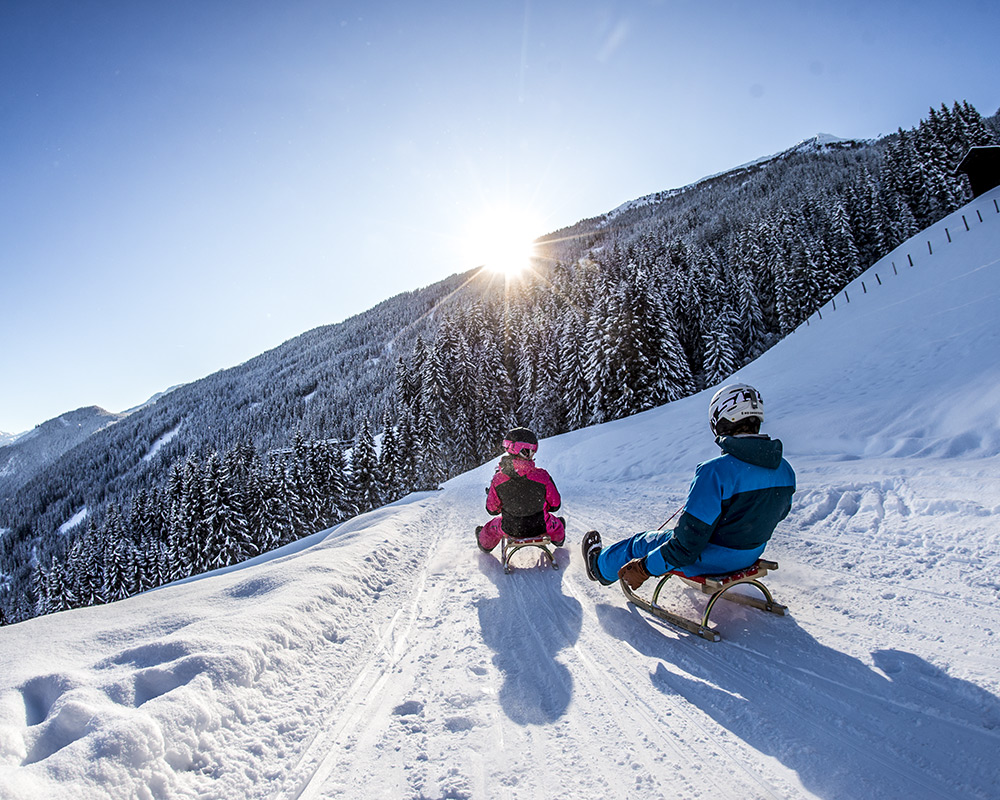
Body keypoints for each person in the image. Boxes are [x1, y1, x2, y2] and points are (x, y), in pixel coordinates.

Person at [582, 383, 795, 590]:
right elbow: (773, 515)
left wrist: (644, 568)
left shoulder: (715, 471)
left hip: (709, 560)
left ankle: (599, 568)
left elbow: (686, 546)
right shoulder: (785, 470)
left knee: (640, 542)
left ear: (721, 421)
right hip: (750, 555)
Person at [476, 427, 566, 552]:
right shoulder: (542, 476)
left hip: (511, 528)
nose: (533, 454)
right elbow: (555, 505)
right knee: (555, 523)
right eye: (532, 451)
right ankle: (559, 538)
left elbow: (492, 509)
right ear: (524, 451)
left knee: (493, 526)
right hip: (540, 526)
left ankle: (485, 544)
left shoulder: (499, 479)